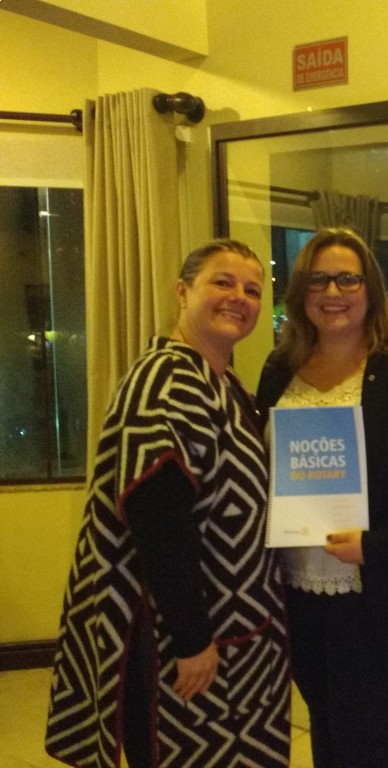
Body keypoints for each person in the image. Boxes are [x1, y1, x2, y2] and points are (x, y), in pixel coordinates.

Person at [45, 239, 291, 768]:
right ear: (183, 291)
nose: (239, 297)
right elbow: (156, 516)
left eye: (252, 289)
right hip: (180, 639)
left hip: (238, 634)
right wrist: (192, 639)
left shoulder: (222, 382)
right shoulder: (164, 380)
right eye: (222, 282)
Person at [255, 226, 388, 768]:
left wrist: (375, 543)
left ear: (370, 289)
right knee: (325, 728)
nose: (333, 291)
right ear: (301, 291)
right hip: (296, 588)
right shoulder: (278, 370)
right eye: (318, 279)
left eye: (348, 278)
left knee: (364, 741)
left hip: (376, 590)